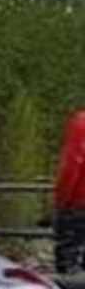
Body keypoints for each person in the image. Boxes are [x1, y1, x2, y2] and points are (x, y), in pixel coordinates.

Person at [53, 110, 85, 274]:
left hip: (78, 203)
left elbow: (72, 165)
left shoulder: (81, 122)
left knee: (69, 266)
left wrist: (62, 201)